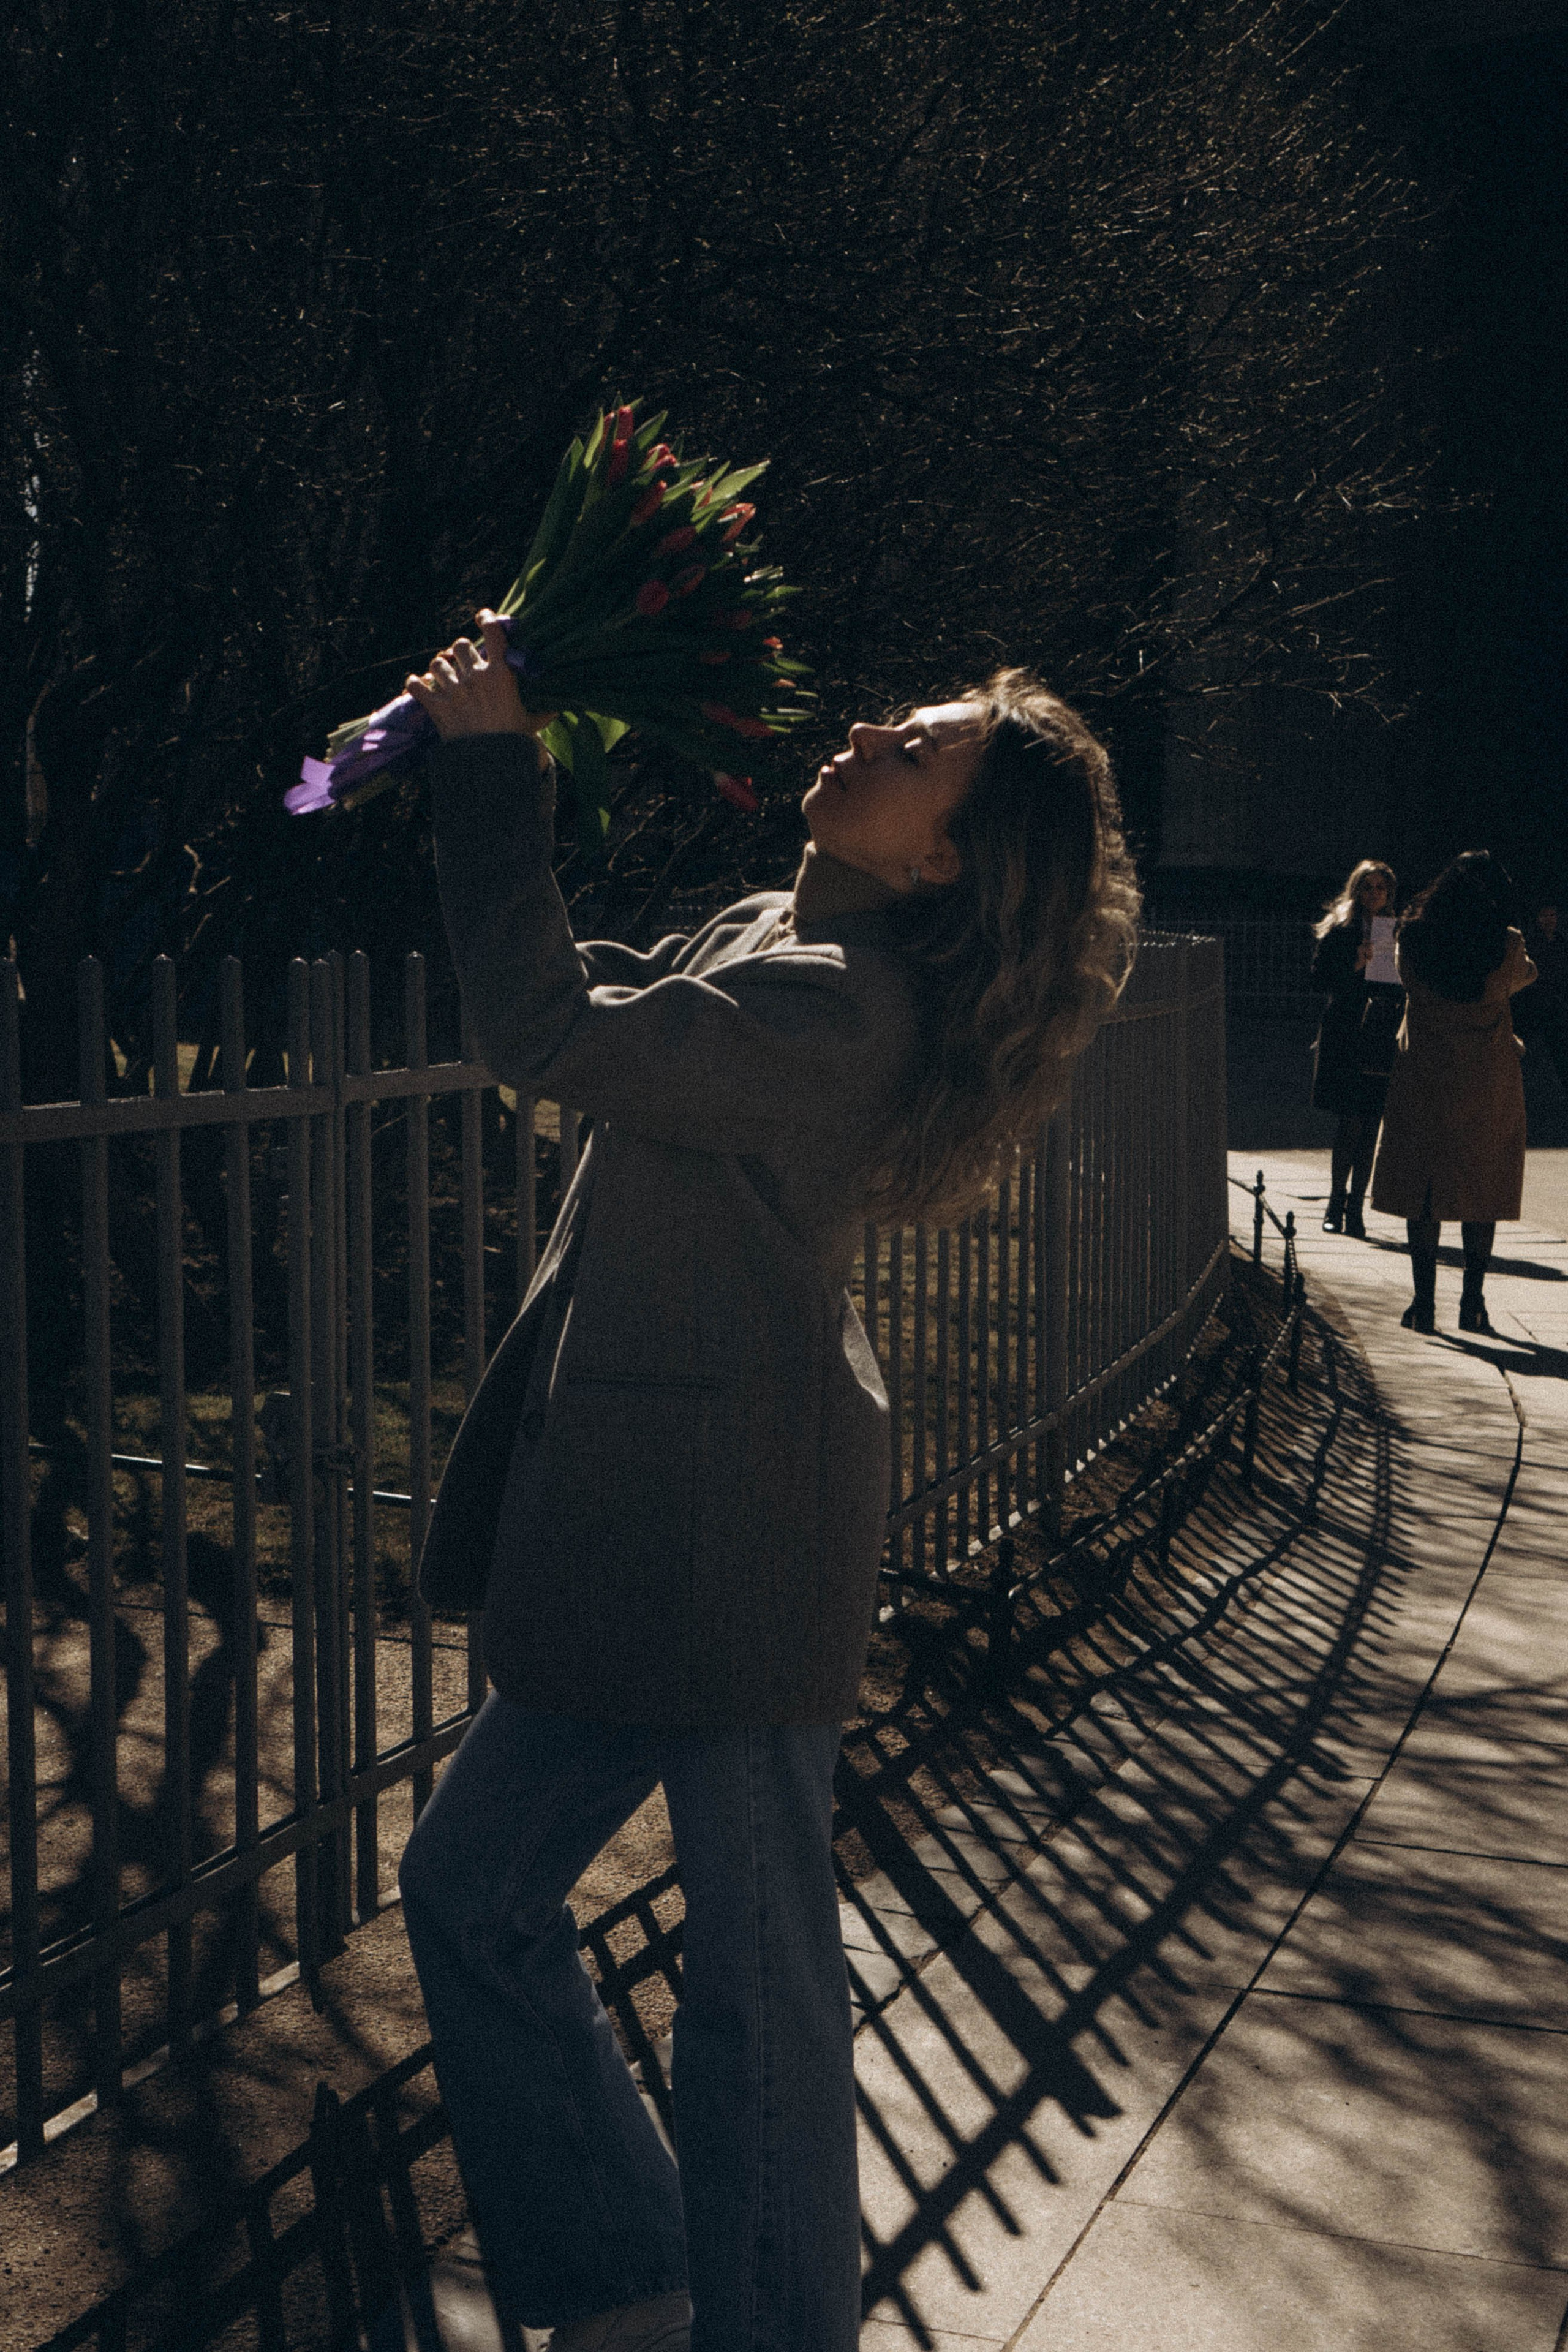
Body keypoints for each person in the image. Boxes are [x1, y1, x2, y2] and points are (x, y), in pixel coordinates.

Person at [383, 613, 1140, 2352]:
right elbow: (628, 1005)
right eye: (895, 717)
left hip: (736, 1529)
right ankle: (622, 2266)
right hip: (664, 1507)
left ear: (943, 853)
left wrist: (496, 773)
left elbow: (549, 1029)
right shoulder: (781, 939)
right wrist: (536, 722)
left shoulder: (840, 1008)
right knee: (472, 1893)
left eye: (916, 750)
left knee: (761, 1998)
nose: (871, 730)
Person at [1370, 851, 1536, 1334]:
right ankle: (1473, 1302)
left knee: (1424, 1188)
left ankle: (1423, 1304)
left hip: (1424, 1076)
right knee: (1482, 1188)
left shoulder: (1414, 938)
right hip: (1488, 1079)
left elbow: (1402, 980)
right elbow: (1521, 977)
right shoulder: (1506, 946)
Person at [1310, 859, 1401, 1237]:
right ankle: (1335, 1202)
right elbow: (1318, 979)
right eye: (1368, 887)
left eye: (1381, 888)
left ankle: (1357, 1209)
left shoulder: (1394, 931)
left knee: (1371, 1125)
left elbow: (1399, 986)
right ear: (1356, 889)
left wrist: (1394, 963)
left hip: (1380, 1032)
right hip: (1348, 1032)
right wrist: (1354, 963)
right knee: (1350, 1121)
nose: (1374, 894)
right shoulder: (1342, 930)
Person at [1521, 901, 1568, 1101]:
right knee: (1535, 1052)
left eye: (1553, 915)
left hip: (1559, 1004)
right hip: (1539, 1005)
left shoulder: (1560, 942)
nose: (1550, 920)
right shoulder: (1531, 944)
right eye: (1545, 916)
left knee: (1560, 1050)